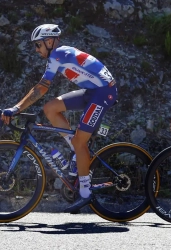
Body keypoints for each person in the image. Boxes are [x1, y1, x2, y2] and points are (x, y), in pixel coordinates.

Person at [1, 24, 118, 213]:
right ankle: (76, 150)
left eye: (38, 45)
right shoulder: (58, 55)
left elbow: (41, 88)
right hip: (93, 90)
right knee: (50, 108)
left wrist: (15, 108)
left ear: (49, 41)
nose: (36, 50)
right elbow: (42, 88)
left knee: (81, 142)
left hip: (103, 93)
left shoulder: (58, 55)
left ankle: (86, 193)